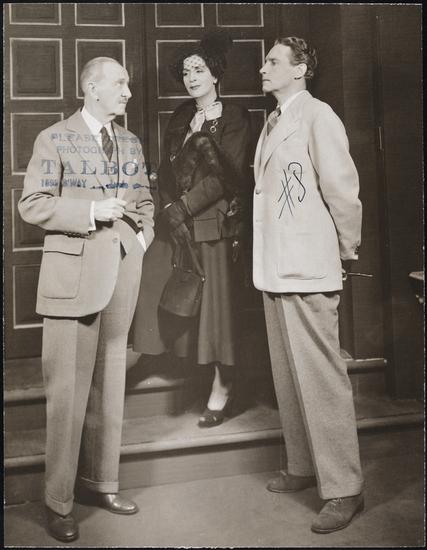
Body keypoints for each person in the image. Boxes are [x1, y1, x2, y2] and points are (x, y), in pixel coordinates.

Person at [18, 57, 154, 542]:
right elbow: (32, 203)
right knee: (68, 397)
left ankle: (102, 484)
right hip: (71, 281)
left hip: (120, 275)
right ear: (92, 88)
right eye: (120, 84)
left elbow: (144, 201)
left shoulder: (131, 142)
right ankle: (58, 501)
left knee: (110, 386)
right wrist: (92, 210)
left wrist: (140, 240)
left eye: (128, 85)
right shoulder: (54, 138)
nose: (128, 92)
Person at [253, 37, 364, 533]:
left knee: (320, 377)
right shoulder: (273, 120)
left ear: (300, 70)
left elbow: (343, 191)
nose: (264, 67)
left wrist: (345, 250)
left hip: (309, 265)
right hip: (275, 266)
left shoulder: (319, 116)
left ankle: (344, 488)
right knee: (288, 374)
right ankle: (303, 465)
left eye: (273, 61)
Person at [133, 30, 251, 427]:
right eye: (186, 72)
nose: (191, 78)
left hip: (213, 223)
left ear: (215, 74)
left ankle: (223, 383)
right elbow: (166, 170)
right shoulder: (181, 116)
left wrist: (182, 208)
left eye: (199, 70)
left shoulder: (235, 117)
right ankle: (153, 354)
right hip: (176, 221)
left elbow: (226, 177)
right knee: (152, 276)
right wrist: (169, 206)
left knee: (216, 309)